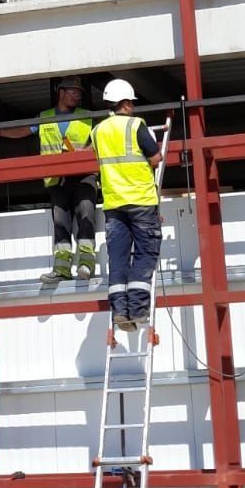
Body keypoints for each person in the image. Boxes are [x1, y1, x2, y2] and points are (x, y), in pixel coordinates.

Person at [0, 76, 96, 280]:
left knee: (86, 215)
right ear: (61, 92)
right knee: (60, 222)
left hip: (84, 174)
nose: (77, 96)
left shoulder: (88, 116)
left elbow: (101, 139)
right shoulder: (45, 117)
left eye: (79, 93)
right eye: (72, 91)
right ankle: (62, 268)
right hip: (57, 178)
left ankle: (86, 264)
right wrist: (0, 132)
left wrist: (85, 151)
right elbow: (24, 130)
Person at [91, 79, 163, 331]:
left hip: (113, 205)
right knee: (145, 253)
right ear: (125, 103)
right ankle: (139, 308)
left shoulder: (97, 131)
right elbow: (155, 158)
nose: (132, 106)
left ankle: (120, 311)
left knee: (118, 259)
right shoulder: (135, 125)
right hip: (141, 200)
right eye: (131, 102)